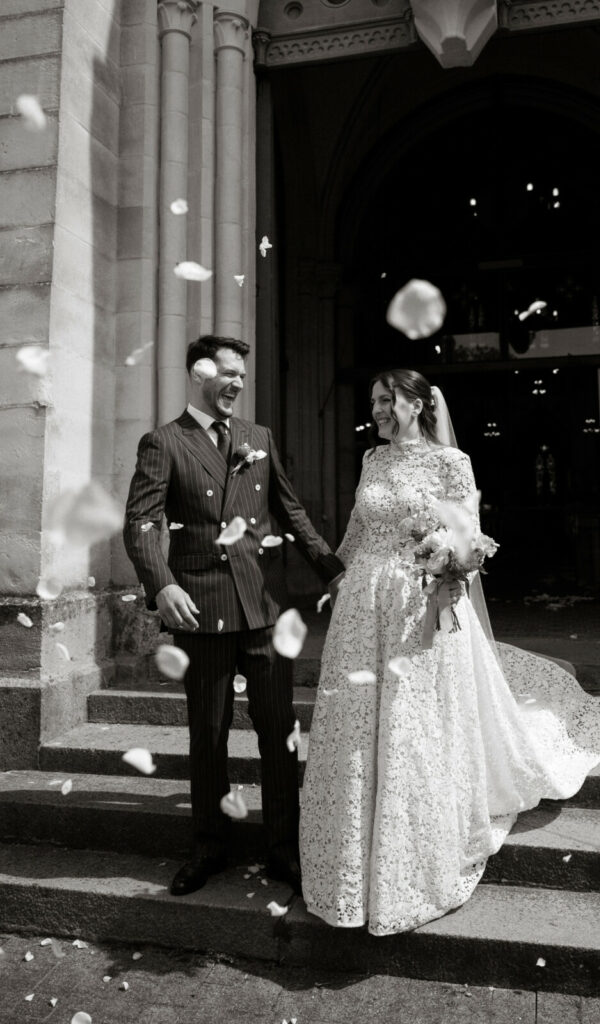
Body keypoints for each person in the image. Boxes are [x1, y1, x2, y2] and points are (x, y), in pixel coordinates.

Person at [299, 368, 600, 936]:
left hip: (417, 606)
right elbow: (358, 529)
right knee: (358, 723)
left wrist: (448, 571)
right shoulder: (372, 460)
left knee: (410, 721)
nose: (377, 410)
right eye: (373, 401)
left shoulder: (452, 462)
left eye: (387, 400)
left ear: (419, 404)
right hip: (362, 610)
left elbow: (467, 538)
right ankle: (352, 846)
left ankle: (409, 852)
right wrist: (335, 578)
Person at [124, 335, 343, 897]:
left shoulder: (258, 437)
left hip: (262, 604)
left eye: (242, 375)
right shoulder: (164, 441)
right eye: (228, 373)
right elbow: (142, 524)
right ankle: (209, 847)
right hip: (202, 607)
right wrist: (162, 583)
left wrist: (333, 570)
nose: (238, 383)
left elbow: (289, 510)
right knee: (209, 731)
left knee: (278, 730)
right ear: (199, 374)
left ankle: (284, 848)